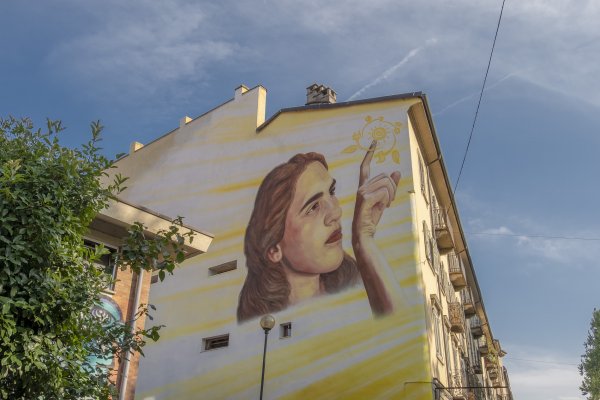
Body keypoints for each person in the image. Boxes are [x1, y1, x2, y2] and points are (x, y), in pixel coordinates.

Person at [237, 141, 400, 322]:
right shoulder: (260, 324)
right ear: (274, 250)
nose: (336, 213)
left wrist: (364, 241)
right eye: (313, 207)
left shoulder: (355, 287)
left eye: (332, 191)